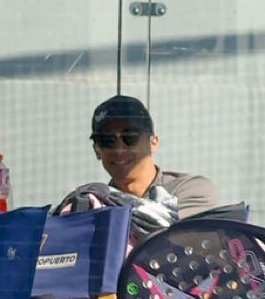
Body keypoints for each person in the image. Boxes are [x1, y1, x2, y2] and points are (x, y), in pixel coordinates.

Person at [56, 96, 219, 237]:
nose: (119, 150)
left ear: (153, 143)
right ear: (97, 150)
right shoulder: (89, 201)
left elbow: (164, 235)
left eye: (130, 137)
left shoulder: (191, 190)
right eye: (107, 140)